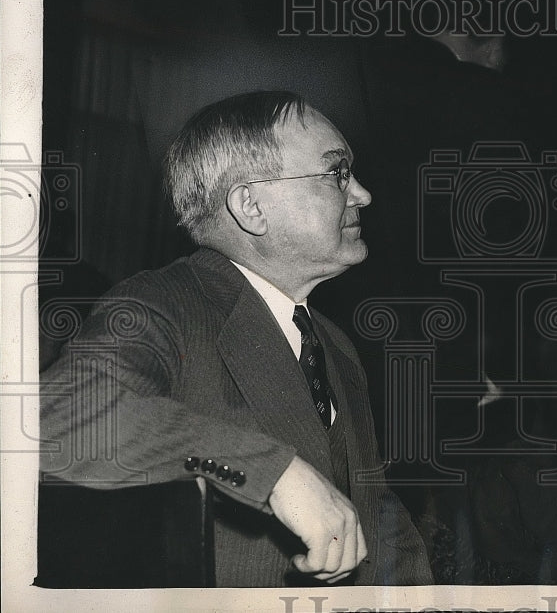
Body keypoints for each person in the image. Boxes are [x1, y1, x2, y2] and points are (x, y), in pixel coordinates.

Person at [38, 90, 433, 587]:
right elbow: (57, 419)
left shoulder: (335, 347)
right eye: (336, 173)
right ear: (252, 206)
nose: (361, 193)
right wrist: (274, 474)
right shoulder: (162, 303)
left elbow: (377, 518)